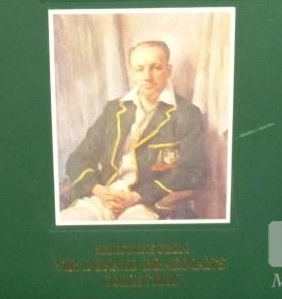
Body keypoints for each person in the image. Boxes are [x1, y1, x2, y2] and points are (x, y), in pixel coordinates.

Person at [58, 40, 205, 222]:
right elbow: (77, 159)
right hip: (103, 198)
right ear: (131, 73)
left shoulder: (187, 114)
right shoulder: (114, 109)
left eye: (156, 68)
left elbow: (193, 172)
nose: (147, 76)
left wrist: (137, 196)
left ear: (169, 70)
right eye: (139, 69)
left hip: (147, 203)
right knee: (69, 221)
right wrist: (98, 190)